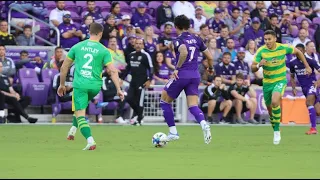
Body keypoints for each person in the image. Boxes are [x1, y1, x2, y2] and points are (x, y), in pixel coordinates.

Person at [57, 23, 125, 151]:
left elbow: (64, 67)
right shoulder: (104, 50)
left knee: (80, 113)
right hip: (95, 87)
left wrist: (62, 85)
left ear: (89, 32)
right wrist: (119, 89)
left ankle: (90, 140)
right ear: (100, 33)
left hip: (80, 85)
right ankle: (72, 129)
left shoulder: (77, 47)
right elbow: (113, 71)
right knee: (80, 105)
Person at [251, 30, 312, 145]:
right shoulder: (261, 51)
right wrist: (259, 65)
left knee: (275, 101)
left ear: (274, 39)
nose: (267, 41)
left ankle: (277, 132)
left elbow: (298, 52)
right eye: (265, 39)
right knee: (270, 112)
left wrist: (307, 66)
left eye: (269, 39)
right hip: (267, 83)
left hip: (280, 80)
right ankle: (275, 129)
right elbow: (252, 68)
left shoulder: (283, 48)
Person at [160, 15, 214, 144]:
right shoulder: (197, 39)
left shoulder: (178, 40)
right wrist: (211, 68)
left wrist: (177, 68)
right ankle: (204, 124)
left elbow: (183, 52)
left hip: (182, 75)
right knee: (193, 105)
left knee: (164, 101)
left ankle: (173, 132)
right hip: (195, 76)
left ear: (176, 26)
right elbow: (210, 56)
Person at [121, 38, 154, 126]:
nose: (138, 45)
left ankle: (139, 120)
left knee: (140, 102)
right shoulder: (131, 55)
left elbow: (151, 68)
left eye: (140, 43)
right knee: (128, 98)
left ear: (143, 45)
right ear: (134, 45)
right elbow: (128, 68)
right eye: (137, 43)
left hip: (142, 82)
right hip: (133, 82)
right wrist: (122, 78)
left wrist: (149, 80)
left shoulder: (145, 55)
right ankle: (139, 114)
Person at [289, 44, 320, 135]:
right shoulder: (292, 63)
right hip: (304, 88)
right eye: (296, 51)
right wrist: (293, 88)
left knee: (308, 103)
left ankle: (313, 128)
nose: (298, 53)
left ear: (303, 51)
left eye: (300, 51)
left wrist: (318, 82)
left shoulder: (310, 61)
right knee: (318, 111)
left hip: (312, 85)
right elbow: (292, 76)